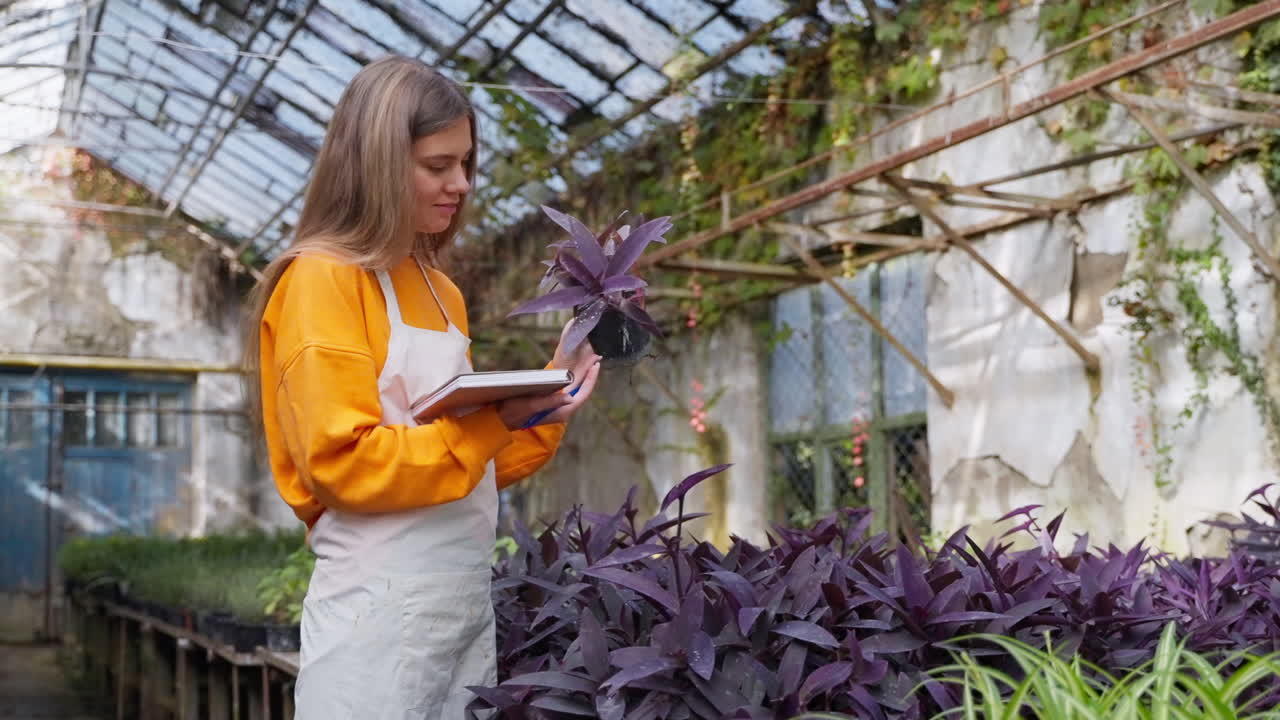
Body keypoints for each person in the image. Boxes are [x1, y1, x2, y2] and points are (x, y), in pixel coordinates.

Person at [243, 55, 601, 718]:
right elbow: (344, 464)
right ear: (376, 163)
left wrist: (552, 396)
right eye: (438, 166)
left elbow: (460, 466)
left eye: (465, 163)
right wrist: (495, 420)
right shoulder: (322, 279)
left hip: (459, 604)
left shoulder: (441, 292)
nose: (460, 184)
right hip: (375, 614)